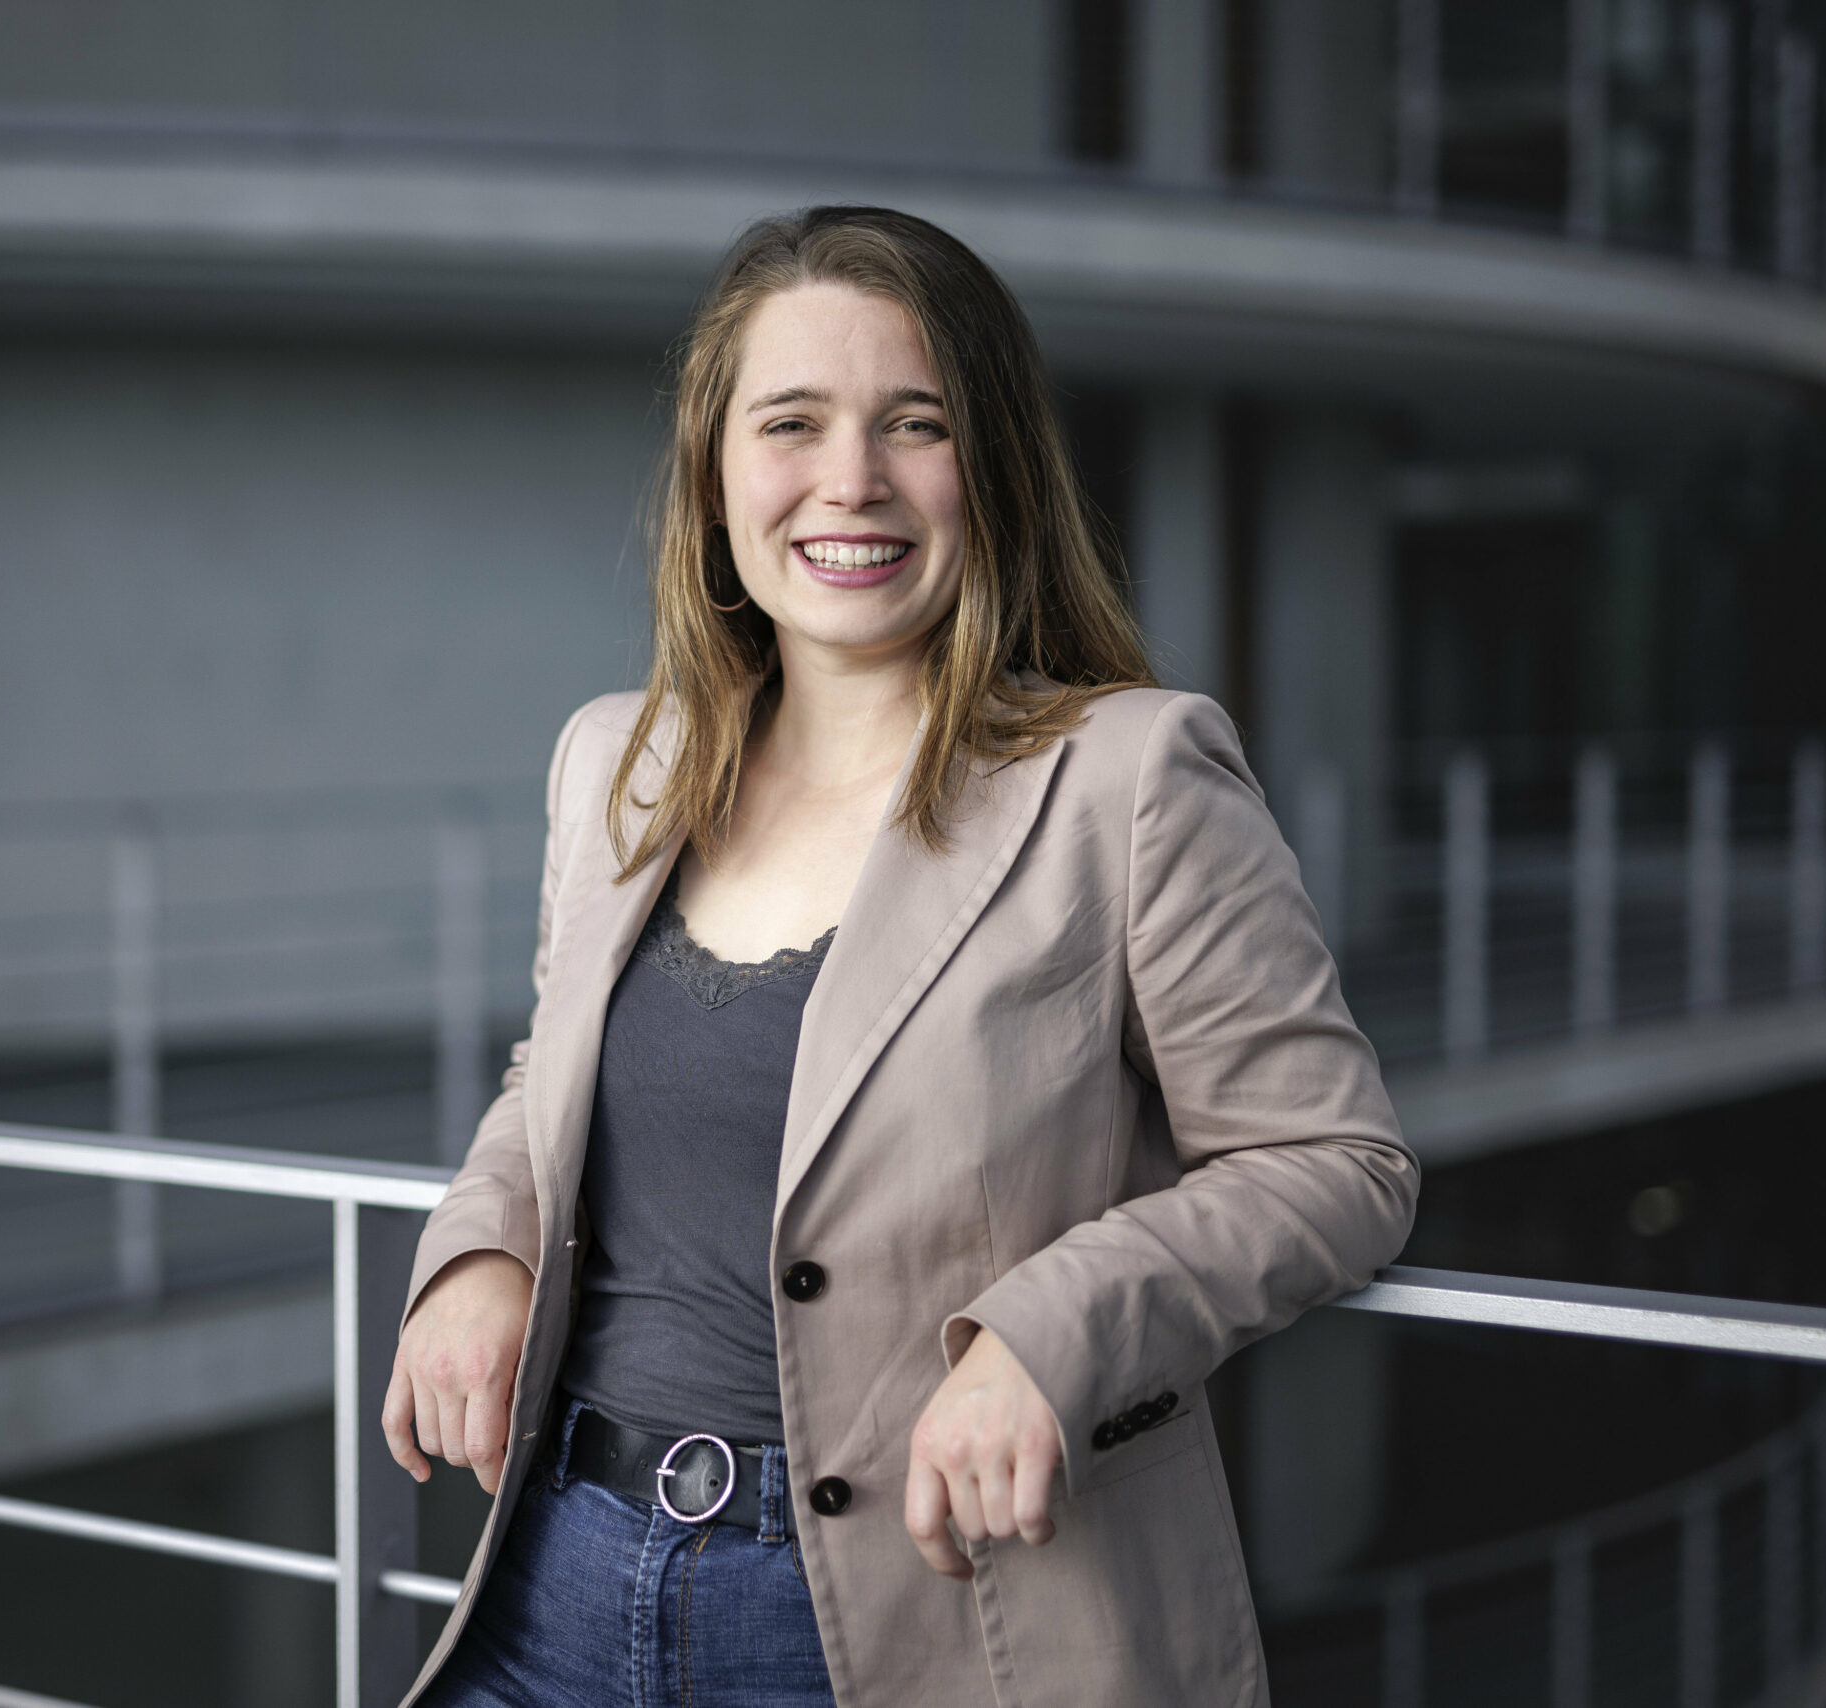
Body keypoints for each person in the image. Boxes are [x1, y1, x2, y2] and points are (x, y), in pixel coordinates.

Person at [382, 205, 1416, 1708]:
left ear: (989, 466)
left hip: (906, 1625)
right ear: (717, 473)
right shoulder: (619, 759)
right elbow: (557, 1074)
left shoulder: (1130, 777)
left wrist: (1046, 1334)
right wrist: (482, 1245)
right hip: (558, 1581)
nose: (850, 481)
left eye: (913, 424)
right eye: (791, 422)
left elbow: (1335, 1163)